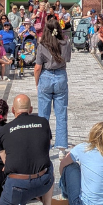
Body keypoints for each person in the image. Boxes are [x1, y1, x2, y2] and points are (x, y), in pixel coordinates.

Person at [0, 94, 55, 205]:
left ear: (12, 110)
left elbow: (5, 161)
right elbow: (45, 147)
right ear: (30, 109)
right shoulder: (43, 122)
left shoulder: (5, 130)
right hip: (42, 182)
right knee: (49, 164)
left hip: (18, 185)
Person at [36, 17, 71, 153]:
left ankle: (43, 145)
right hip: (61, 75)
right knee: (61, 113)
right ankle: (61, 146)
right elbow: (67, 59)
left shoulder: (42, 44)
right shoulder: (66, 43)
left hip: (46, 75)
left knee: (43, 114)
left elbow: (37, 67)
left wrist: (37, 82)